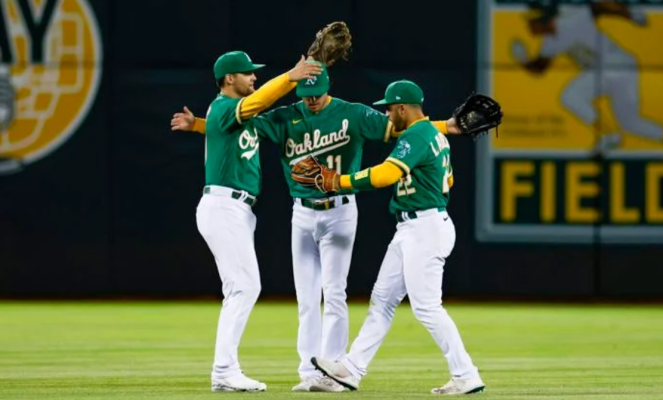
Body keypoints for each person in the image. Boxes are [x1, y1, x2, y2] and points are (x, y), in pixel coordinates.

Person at [172, 66, 464, 392]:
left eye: (317, 93)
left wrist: (445, 127)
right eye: (305, 94)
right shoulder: (286, 116)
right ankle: (309, 372)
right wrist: (199, 125)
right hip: (302, 213)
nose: (311, 99)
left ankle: (333, 371)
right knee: (307, 297)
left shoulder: (351, 113)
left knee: (334, 292)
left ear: (328, 88)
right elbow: (241, 127)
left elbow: (400, 128)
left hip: (340, 210)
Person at [304, 80, 485, 395]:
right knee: (383, 301)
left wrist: (337, 181)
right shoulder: (434, 135)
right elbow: (449, 180)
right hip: (415, 226)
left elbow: (386, 175)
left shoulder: (418, 134)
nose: (386, 114)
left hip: (424, 228)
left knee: (426, 307)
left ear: (403, 107)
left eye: (389, 108)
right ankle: (350, 370)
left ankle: (466, 374)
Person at [194, 50, 321, 392]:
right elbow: (258, 102)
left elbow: (227, 131)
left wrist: (195, 125)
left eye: (254, 73)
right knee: (245, 287)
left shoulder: (228, 114)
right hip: (223, 206)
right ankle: (223, 371)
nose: (253, 77)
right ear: (229, 78)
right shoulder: (224, 107)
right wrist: (290, 77)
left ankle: (225, 370)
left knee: (237, 289)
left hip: (237, 209)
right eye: (247, 73)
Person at [515, 1, 663, 162]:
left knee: (572, 97)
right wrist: (524, 60)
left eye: (533, 20)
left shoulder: (571, 21)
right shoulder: (549, 42)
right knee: (629, 122)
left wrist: (629, 14)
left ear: (545, 20)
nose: (529, 24)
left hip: (614, 64)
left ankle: (610, 135)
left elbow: (599, 6)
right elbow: (540, 68)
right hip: (619, 68)